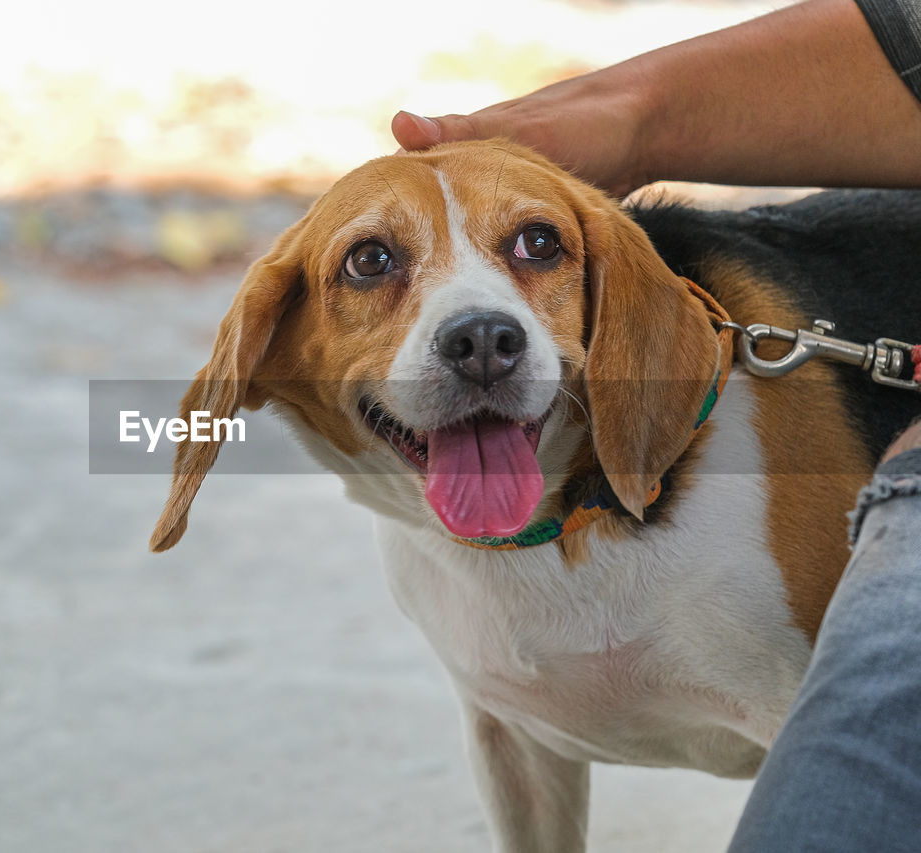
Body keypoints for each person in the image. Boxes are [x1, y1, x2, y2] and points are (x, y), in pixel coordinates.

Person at [392, 0, 921, 849]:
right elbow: (510, 725)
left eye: (532, 247)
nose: (477, 332)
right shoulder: (421, 514)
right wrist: (626, 114)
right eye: (375, 265)